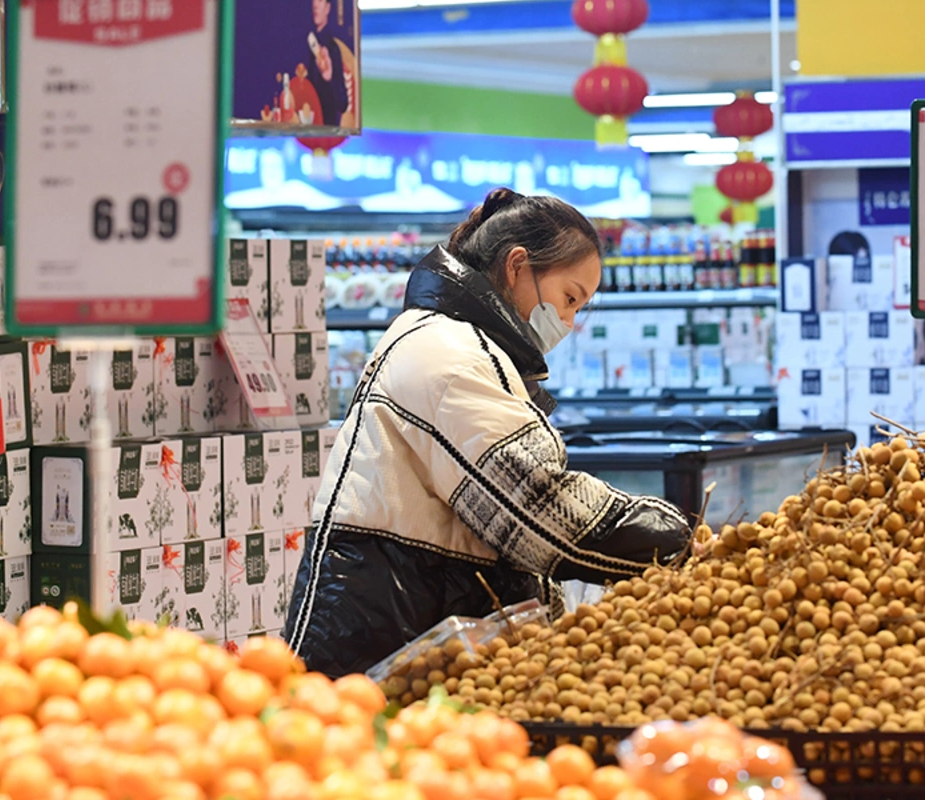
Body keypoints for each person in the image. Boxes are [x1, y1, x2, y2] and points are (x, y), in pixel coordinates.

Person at [282, 188, 692, 677]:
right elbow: (539, 507)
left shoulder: (458, 343)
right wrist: (678, 538)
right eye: (569, 299)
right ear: (517, 266)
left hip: (408, 643)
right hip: (378, 653)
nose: (568, 322)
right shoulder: (445, 353)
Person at [306, 0, 349, 126]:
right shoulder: (302, 43)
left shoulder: (332, 49)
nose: (315, 4)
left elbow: (343, 103)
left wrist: (328, 78)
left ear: (328, 7)